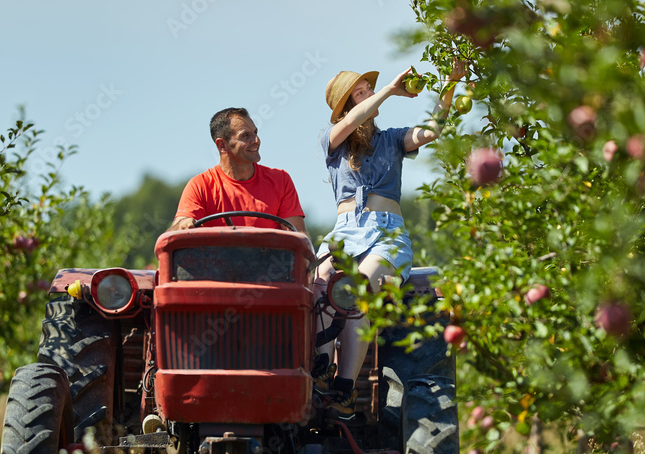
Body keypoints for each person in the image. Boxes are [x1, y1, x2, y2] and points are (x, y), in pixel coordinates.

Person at [315, 61, 465, 420]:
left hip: (386, 233)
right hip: (345, 232)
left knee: (360, 294)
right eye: (360, 94)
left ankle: (345, 391)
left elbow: (430, 131)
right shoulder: (332, 139)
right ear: (346, 109)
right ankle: (320, 369)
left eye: (369, 90)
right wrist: (389, 92)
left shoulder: (391, 139)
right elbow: (351, 124)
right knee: (318, 287)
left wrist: (451, 83)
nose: (369, 98)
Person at [170, 107, 308, 235]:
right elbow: (176, 232)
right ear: (222, 145)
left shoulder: (281, 180)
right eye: (246, 136)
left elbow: (298, 240)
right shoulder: (200, 186)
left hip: (268, 260)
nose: (256, 140)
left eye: (255, 132)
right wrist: (184, 224)